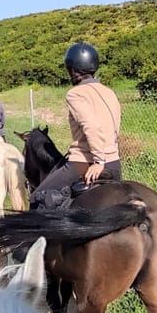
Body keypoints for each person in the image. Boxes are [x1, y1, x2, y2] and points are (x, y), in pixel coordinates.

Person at [30, 42, 122, 210]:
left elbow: (91, 126)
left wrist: (98, 161)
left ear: (72, 69)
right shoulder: (109, 91)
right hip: (115, 164)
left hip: (86, 162)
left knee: (37, 197)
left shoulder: (75, 93)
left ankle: (41, 237)